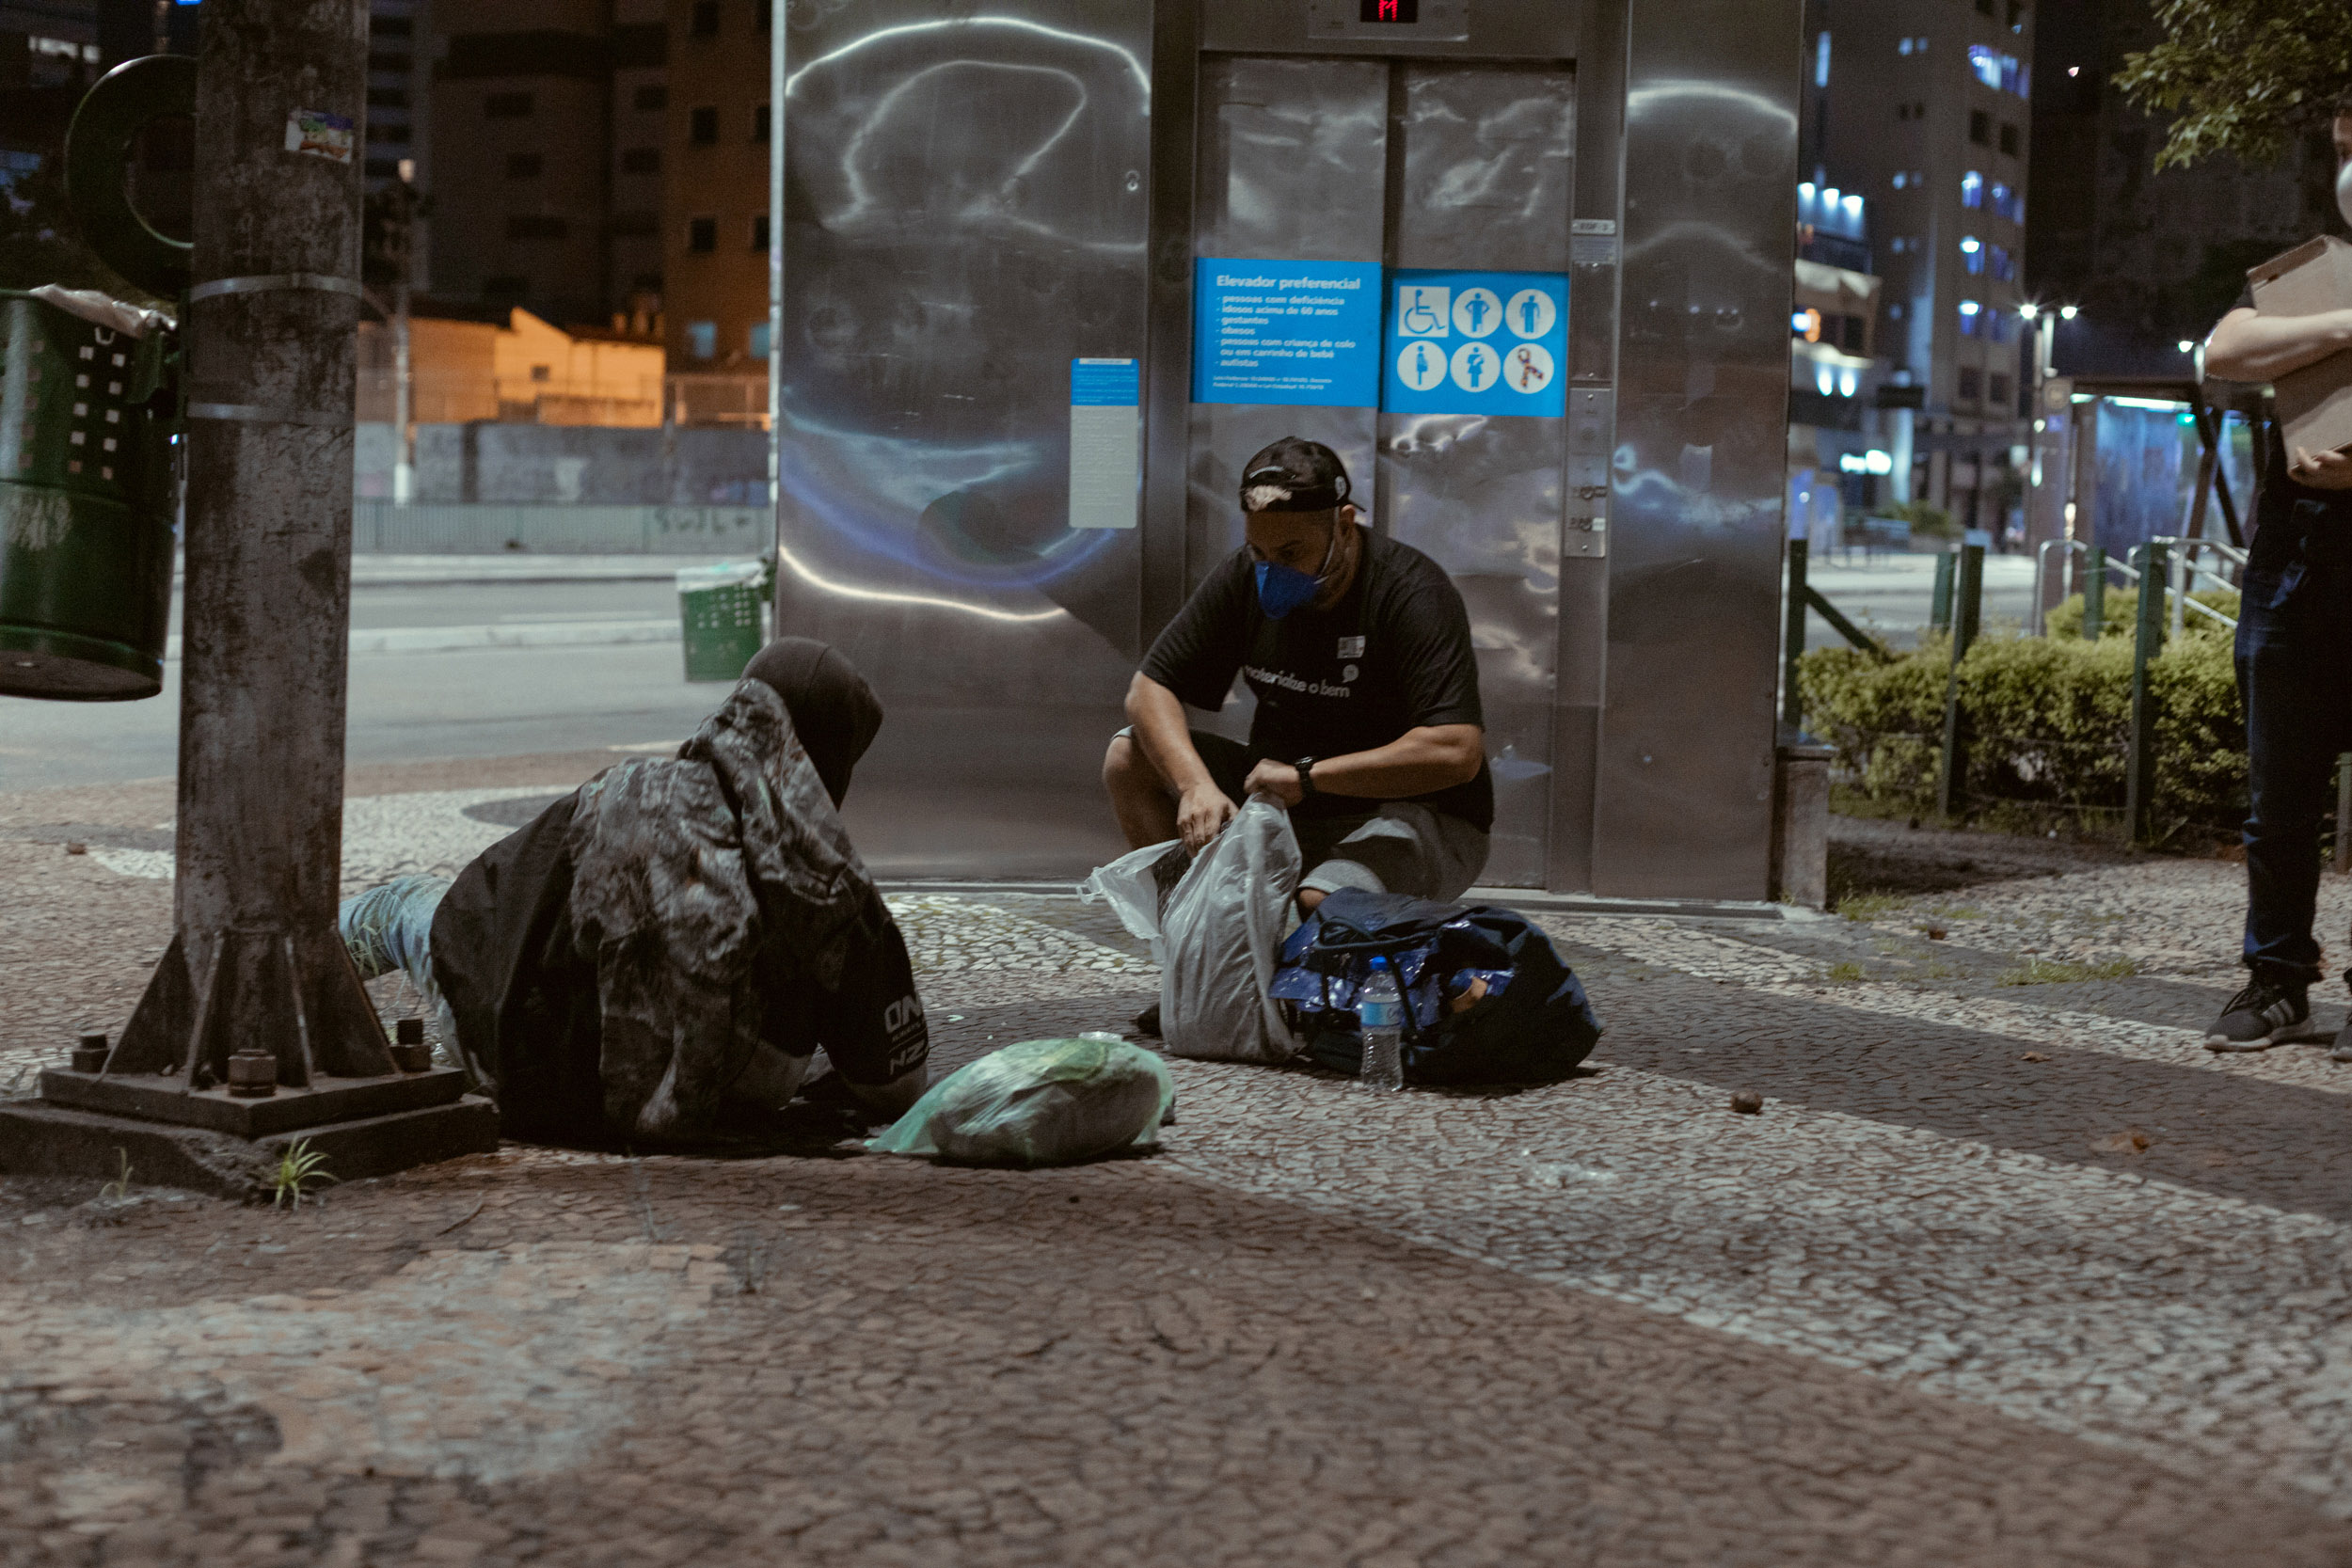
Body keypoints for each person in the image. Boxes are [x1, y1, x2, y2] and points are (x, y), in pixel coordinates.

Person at [346, 638, 930, 1145]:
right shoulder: (839, 899)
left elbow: (507, 896)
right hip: (719, 1101)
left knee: (403, 904)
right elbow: (899, 1088)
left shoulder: (626, 795)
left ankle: (307, 974)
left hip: (514, 1072)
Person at [1103, 436, 1491, 1018]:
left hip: (1416, 812)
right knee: (1129, 756)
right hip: (1284, 797)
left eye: (1291, 552)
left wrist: (1309, 776)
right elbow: (1148, 690)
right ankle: (1206, 962)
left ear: (1344, 523)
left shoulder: (1411, 592)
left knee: (1325, 903)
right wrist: (1195, 786)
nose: (1271, 570)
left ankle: (1458, 978)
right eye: (1258, 551)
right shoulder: (1245, 577)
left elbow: (1455, 751)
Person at [2200, 93, 2352, 1055]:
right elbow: (2226, 349)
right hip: (2294, 561)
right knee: (2280, 793)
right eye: (2342, 147)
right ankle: (2277, 978)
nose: (2349, 167)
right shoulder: (2313, 274)